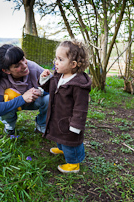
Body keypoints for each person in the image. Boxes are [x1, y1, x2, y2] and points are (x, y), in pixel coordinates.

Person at [39, 40, 91, 173]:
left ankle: (74, 164)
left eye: (60, 59)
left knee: (70, 140)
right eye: (56, 58)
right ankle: (62, 149)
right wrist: (44, 79)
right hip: (57, 116)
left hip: (69, 121)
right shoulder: (58, 76)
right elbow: (49, 88)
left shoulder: (79, 85)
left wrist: (76, 125)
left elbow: (81, 107)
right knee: (59, 134)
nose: (56, 62)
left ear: (73, 64)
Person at [0, 44, 49, 135]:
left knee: (49, 98)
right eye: (17, 65)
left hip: (34, 101)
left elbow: (57, 87)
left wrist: (41, 91)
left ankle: (41, 124)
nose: (24, 65)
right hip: (13, 104)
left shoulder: (33, 67)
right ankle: (10, 125)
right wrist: (22, 98)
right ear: (6, 71)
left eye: (23, 59)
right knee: (2, 108)